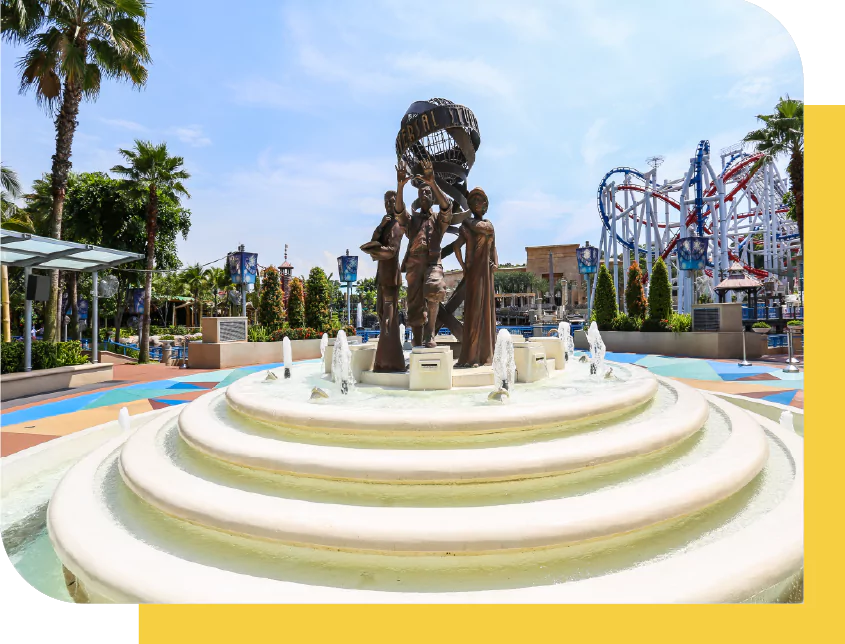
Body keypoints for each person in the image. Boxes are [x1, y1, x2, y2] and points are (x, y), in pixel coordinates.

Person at [394, 158, 452, 348]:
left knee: (435, 287)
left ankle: (431, 333)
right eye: (422, 193)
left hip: (433, 261)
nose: (425, 195)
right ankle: (418, 339)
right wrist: (400, 186)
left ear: (432, 198)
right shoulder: (412, 221)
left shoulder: (438, 220)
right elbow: (399, 212)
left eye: (427, 193)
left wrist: (431, 181)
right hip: (414, 262)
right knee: (414, 303)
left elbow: (447, 208)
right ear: (419, 199)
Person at [359, 190, 406, 372]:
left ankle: (390, 360)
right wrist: (379, 227)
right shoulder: (386, 223)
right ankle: (386, 358)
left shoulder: (397, 225)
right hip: (382, 276)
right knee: (381, 313)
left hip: (391, 278)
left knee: (389, 318)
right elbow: (375, 239)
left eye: (392, 201)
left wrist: (374, 252)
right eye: (386, 202)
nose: (388, 205)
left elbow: (392, 250)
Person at [453, 188, 498, 367]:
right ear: (470, 205)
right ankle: (472, 356)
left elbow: (494, 248)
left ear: (485, 204)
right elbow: (457, 247)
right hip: (474, 273)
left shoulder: (489, 225)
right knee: (474, 311)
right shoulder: (467, 225)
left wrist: (495, 263)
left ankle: (486, 355)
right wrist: (464, 267)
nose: (478, 203)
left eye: (481, 200)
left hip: (486, 273)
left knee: (486, 310)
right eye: (474, 201)